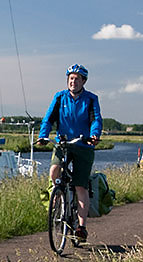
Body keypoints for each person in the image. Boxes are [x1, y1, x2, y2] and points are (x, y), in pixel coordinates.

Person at [35, 64, 102, 242]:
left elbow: (96, 120)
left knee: (80, 186)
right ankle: (57, 194)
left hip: (83, 145)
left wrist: (94, 135)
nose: (73, 81)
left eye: (77, 79)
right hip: (63, 143)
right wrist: (43, 136)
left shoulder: (91, 99)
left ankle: (81, 227)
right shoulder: (60, 97)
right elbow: (48, 119)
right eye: (71, 78)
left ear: (83, 81)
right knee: (54, 170)